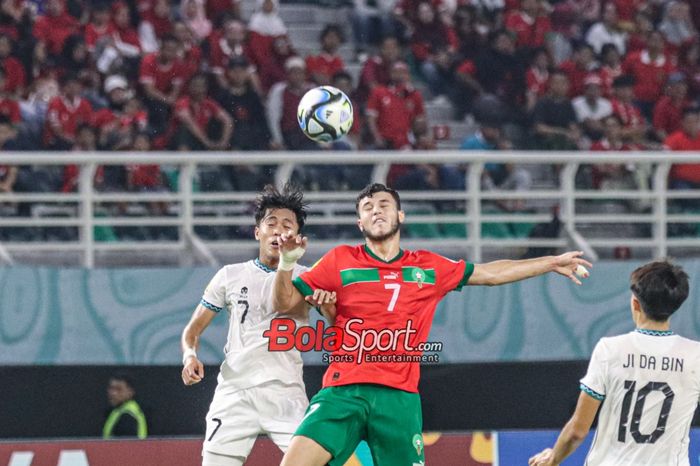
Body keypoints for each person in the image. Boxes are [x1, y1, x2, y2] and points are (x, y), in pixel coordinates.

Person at [272, 183, 592, 466]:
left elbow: (491, 274)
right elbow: (283, 304)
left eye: (384, 205)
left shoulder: (427, 266)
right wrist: (287, 263)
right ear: (360, 223)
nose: (376, 211)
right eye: (367, 208)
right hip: (342, 391)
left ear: (400, 216)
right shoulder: (339, 260)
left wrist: (550, 262)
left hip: (398, 399)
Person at [181, 184, 336, 466]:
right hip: (234, 392)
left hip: (286, 394)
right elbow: (192, 330)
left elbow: (337, 321)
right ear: (257, 232)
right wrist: (189, 355)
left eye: (287, 225)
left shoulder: (310, 278)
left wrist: (329, 305)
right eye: (271, 223)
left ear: (298, 238)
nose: (279, 231)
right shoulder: (229, 275)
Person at [529, 260, 696, 466]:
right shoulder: (695, 356)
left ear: (635, 303)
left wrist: (553, 458)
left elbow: (577, 431)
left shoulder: (610, 350)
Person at [103, 373, 148, 439]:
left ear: (130, 392)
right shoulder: (118, 411)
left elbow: (125, 446)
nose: (113, 393)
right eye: (111, 388)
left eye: (119, 389)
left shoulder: (128, 415)